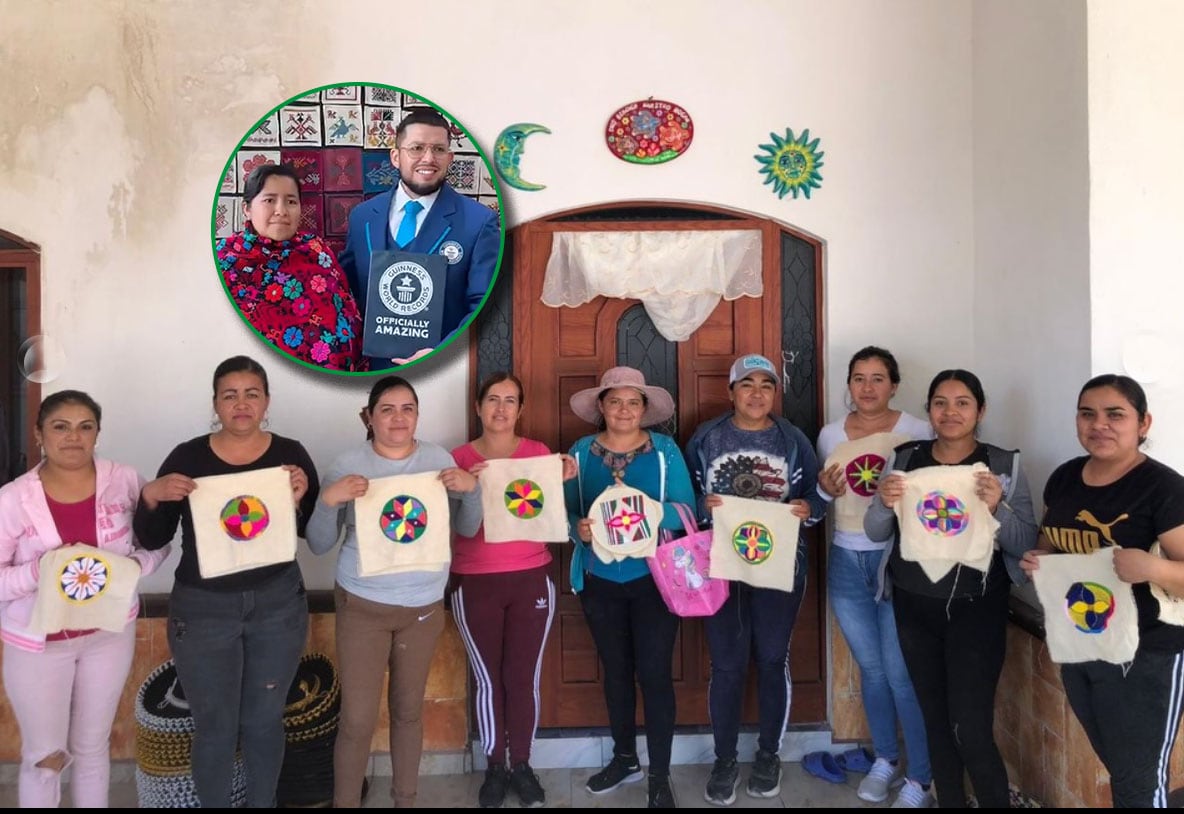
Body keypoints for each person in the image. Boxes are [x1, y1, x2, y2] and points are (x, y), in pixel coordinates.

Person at [133, 355, 319, 808]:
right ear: (215, 403)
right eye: (229, 395)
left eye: (252, 394)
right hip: (203, 609)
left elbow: (311, 533)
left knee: (263, 721)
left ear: (267, 401)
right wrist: (151, 495)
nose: (241, 404)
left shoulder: (290, 455)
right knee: (215, 726)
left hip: (277, 605)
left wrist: (299, 499)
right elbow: (153, 537)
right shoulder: (188, 457)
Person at [306, 375, 482, 808]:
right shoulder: (347, 463)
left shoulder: (438, 460)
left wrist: (472, 491)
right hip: (362, 606)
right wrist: (328, 500)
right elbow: (319, 544)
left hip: (422, 607)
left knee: (408, 712)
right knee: (357, 720)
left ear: (418, 415)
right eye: (387, 409)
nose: (398, 418)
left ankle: (406, 800)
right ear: (368, 417)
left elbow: (466, 528)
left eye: (408, 409)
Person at [864, 369, 1036, 808]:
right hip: (913, 607)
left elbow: (1024, 542)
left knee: (970, 728)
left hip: (976, 610)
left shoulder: (1003, 465)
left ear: (981, 410)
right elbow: (876, 530)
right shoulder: (905, 459)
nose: (950, 412)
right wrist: (883, 503)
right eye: (940, 403)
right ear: (929, 410)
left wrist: (997, 506)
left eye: (962, 403)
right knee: (936, 725)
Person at [0, 391, 170, 807]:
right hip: (39, 644)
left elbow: (158, 539)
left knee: (93, 747)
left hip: (108, 635)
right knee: (45, 756)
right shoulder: (13, 499)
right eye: (60, 427)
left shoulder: (124, 480)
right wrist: (40, 571)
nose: (73, 437)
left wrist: (132, 568)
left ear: (97, 433)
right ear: (39, 434)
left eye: (84, 427)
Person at [1021, 374, 1184, 807]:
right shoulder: (1065, 478)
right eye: (1087, 414)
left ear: (1143, 423)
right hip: (1081, 645)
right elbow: (1049, 543)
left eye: (1115, 415)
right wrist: (1039, 561)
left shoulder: (1164, 488)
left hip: (1147, 656)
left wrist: (1152, 567)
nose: (1099, 425)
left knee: (1139, 782)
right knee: (1121, 767)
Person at [684, 353, 825, 805]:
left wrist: (809, 508)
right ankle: (724, 759)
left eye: (766, 384)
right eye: (747, 384)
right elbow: (683, 497)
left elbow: (817, 498)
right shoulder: (706, 437)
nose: (757, 393)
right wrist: (700, 506)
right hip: (720, 564)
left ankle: (768, 756)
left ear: (775, 393)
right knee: (726, 664)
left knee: (771, 659)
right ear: (731, 392)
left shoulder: (792, 440)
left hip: (779, 565)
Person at [563, 366, 696, 809]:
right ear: (601, 406)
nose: (624, 410)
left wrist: (648, 512)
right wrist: (578, 528)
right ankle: (625, 759)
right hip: (600, 580)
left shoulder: (664, 452)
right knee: (616, 673)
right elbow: (566, 511)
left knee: (654, 675)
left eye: (633, 402)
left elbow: (687, 511)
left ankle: (659, 775)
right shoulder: (580, 453)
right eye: (615, 401)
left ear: (644, 409)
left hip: (654, 581)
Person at [450, 372, 576, 808]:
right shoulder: (458, 458)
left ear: (521, 409)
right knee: (488, 680)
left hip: (531, 579)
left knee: (523, 678)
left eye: (510, 400)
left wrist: (562, 478)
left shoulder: (539, 454)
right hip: (475, 580)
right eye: (492, 399)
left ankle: (521, 763)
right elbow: (453, 525)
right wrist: (470, 488)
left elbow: (546, 510)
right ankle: (494, 766)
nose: (500, 408)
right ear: (478, 407)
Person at [815, 347, 934, 807]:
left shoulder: (918, 431)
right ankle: (885, 759)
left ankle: (919, 777)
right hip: (846, 560)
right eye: (859, 378)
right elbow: (826, 495)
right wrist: (823, 491)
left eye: (878, 378)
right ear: (848, 384)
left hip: (896, 560)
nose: (867, 387)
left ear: (894, 385)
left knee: (901, 674)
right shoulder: (830, 434)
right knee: (872, 669)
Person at [338, 107, 501, 368]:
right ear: (396, 157)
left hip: (438, 371)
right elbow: (345, 292)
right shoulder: (362, 217)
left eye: (438, 149)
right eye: (416, 148)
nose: (428, 158)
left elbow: (484, 306)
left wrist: (443, 352)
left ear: (450, 158)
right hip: (367, 369)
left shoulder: (479, 222)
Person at [216, 163, 366, 372]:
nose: (281, 211)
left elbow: (348, 319)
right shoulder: (224, 260)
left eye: (291, 201)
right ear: (247, 209)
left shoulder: (317, 252)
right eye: (269, 200)